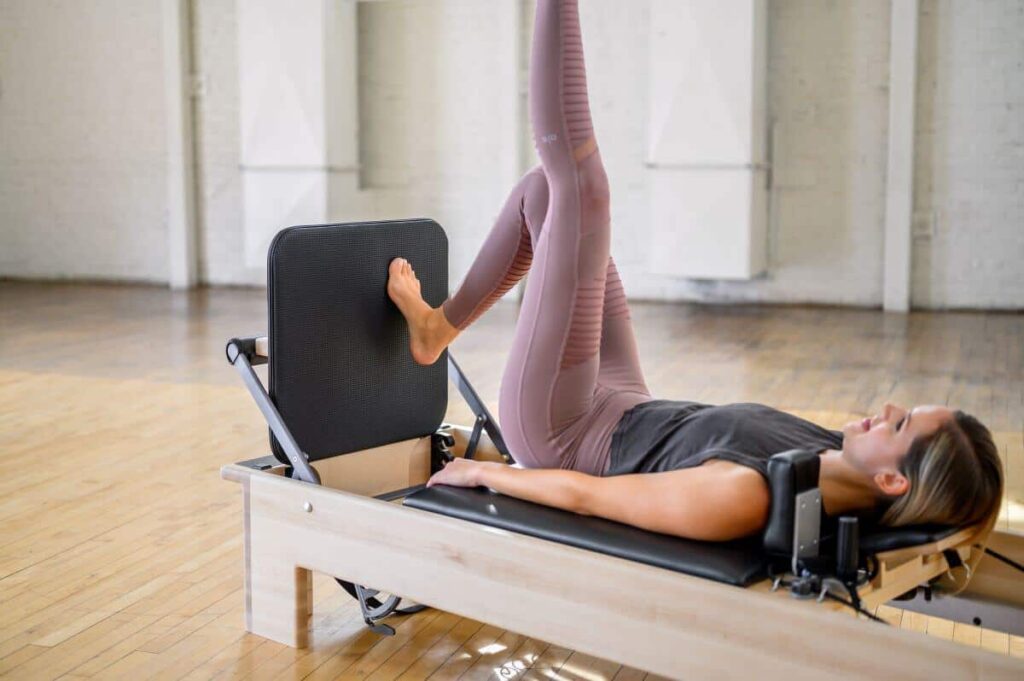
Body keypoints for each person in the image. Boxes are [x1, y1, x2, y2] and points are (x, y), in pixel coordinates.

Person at [384, 0, 1003, 545]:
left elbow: (592, 497)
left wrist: (487, 472)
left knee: (582, 186)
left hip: (565, 430)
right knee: (544, 195)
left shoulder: (745, 495)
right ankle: (436, 330)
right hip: (626, 402)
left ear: (892, 479)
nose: (887, 407)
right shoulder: (831, 458)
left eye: (899, 424)